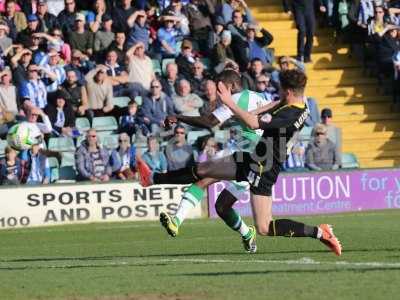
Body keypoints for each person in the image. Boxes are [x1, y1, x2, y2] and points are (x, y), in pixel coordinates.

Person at [138, 69, 342, 256]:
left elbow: (252, 123)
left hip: (263, 167)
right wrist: (249, 112)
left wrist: (230, 103)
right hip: (253, 158)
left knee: (264, 227)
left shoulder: (289, 115)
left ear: (288, 91)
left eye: (281, 89)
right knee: (203, 170)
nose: (278, 92)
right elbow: (273, 105)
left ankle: (319, 232)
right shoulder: (300, 103)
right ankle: (153, 178)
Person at [141, 70, 273, 252]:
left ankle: (170, 208)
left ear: (231, 87)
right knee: (221, 207)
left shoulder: (235, 99)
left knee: (202, 176)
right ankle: (247, 233)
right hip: (257, 159)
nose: (219, 93)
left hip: (245, 157)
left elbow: (208, 122)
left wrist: (178, 117)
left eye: (221, 88)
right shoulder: (260, 97)